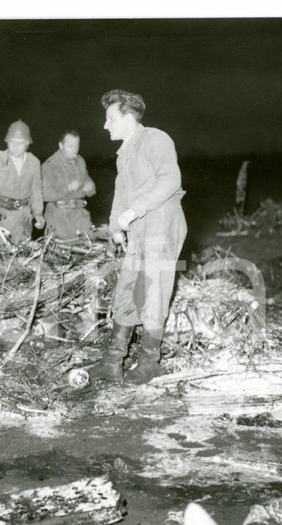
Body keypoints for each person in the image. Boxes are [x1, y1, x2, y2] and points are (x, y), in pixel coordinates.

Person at [89, 90, 187, 385]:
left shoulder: (156, 139)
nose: (105, 125)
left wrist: (135, 210)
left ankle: (149, 363)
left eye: (111, 118)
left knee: (154, 292)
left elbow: (171, 180)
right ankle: (112, 362)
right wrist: (115, 228)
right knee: (127, 289)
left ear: (129, 117)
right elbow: (121, 194)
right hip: (139, 227)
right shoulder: (124, 154)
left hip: (161, 222)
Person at [0, 120, 44, 243]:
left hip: (23, 219)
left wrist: (38, 212)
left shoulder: (34, 162)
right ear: (7, 142)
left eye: (20, 143)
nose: (15, 146)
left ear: (27, 143)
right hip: (0, 217)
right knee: (1, 257)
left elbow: (36, 190)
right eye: (12, 142)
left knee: (22, 257)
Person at [41, 130, 96, 239]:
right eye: (70, 146)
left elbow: (90, 185)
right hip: (59, 214)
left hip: (79, 213)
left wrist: (90, 186)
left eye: (77, 146)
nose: (75, 150)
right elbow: (47, 195)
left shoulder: (80, 161)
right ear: (61, 145)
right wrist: (68, 188)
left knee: (91, 244)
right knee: (64, 249)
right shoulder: (50, 165)